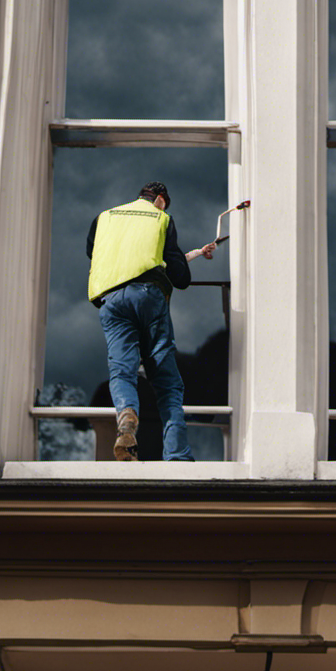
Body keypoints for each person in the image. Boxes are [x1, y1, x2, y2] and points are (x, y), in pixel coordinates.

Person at [86, 181, 216, 461]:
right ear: (159, 199)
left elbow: (94, 253)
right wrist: (180, 264)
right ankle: (177, 455)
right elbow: (179, 276)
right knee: (167, 383)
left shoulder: (105, 218)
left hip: (111, 300)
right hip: (147, 297)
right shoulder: (161, 218)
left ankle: (127, 416)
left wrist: (194, 253)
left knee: (122, 370)